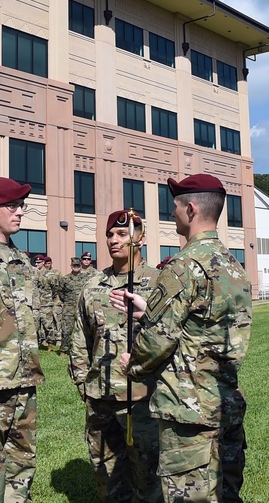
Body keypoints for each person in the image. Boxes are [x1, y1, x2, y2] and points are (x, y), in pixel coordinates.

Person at [113, 174, 252, 503]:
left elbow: (157, 341)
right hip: (225, 404)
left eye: (174, 206)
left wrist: (132, 364)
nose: (171, 213)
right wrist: (150, 309)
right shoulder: (234, 267)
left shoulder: (183, 266)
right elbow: (207, 325)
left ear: (190, 209)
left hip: (189, 416)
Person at [69, 210, 162, 503]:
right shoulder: (93, 285)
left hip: (142, 399)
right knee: (106, 475)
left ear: (141, 239)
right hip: (100, 397)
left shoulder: (159, 283)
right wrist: (83, 383)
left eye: (122, 234)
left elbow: (170, 338)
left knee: (148, 477)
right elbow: (80, 339)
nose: (113, 240)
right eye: (110, 234)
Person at [0, 177, 45, 503]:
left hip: (24, 376)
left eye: (21, 206)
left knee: (22, 459)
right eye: (12, 205)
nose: (19, 212)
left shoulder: (21, 258)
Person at [58, 257, 88, 354]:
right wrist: (68, 301)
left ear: (81, 266)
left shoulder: (86, 279)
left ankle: (82, 350)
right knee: (66, 330)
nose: (76, 267)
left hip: (82, 308)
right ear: (71, 266)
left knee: (84, 330)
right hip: (69, 308)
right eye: (74, 265)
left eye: (78, 265)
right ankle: (64, 350)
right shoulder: (65, 279)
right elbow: (60, 293)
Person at [39, 255, 61, 350]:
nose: (47, 265)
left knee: (53, 322)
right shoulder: (39, 273)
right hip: (40, 302)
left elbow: (56, 288)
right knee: (43, 323)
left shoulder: (54, 274)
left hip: (50, 301)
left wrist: (53, 299)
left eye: (49, 263)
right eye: (45, 263)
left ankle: (55, 341)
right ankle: (43, 340)